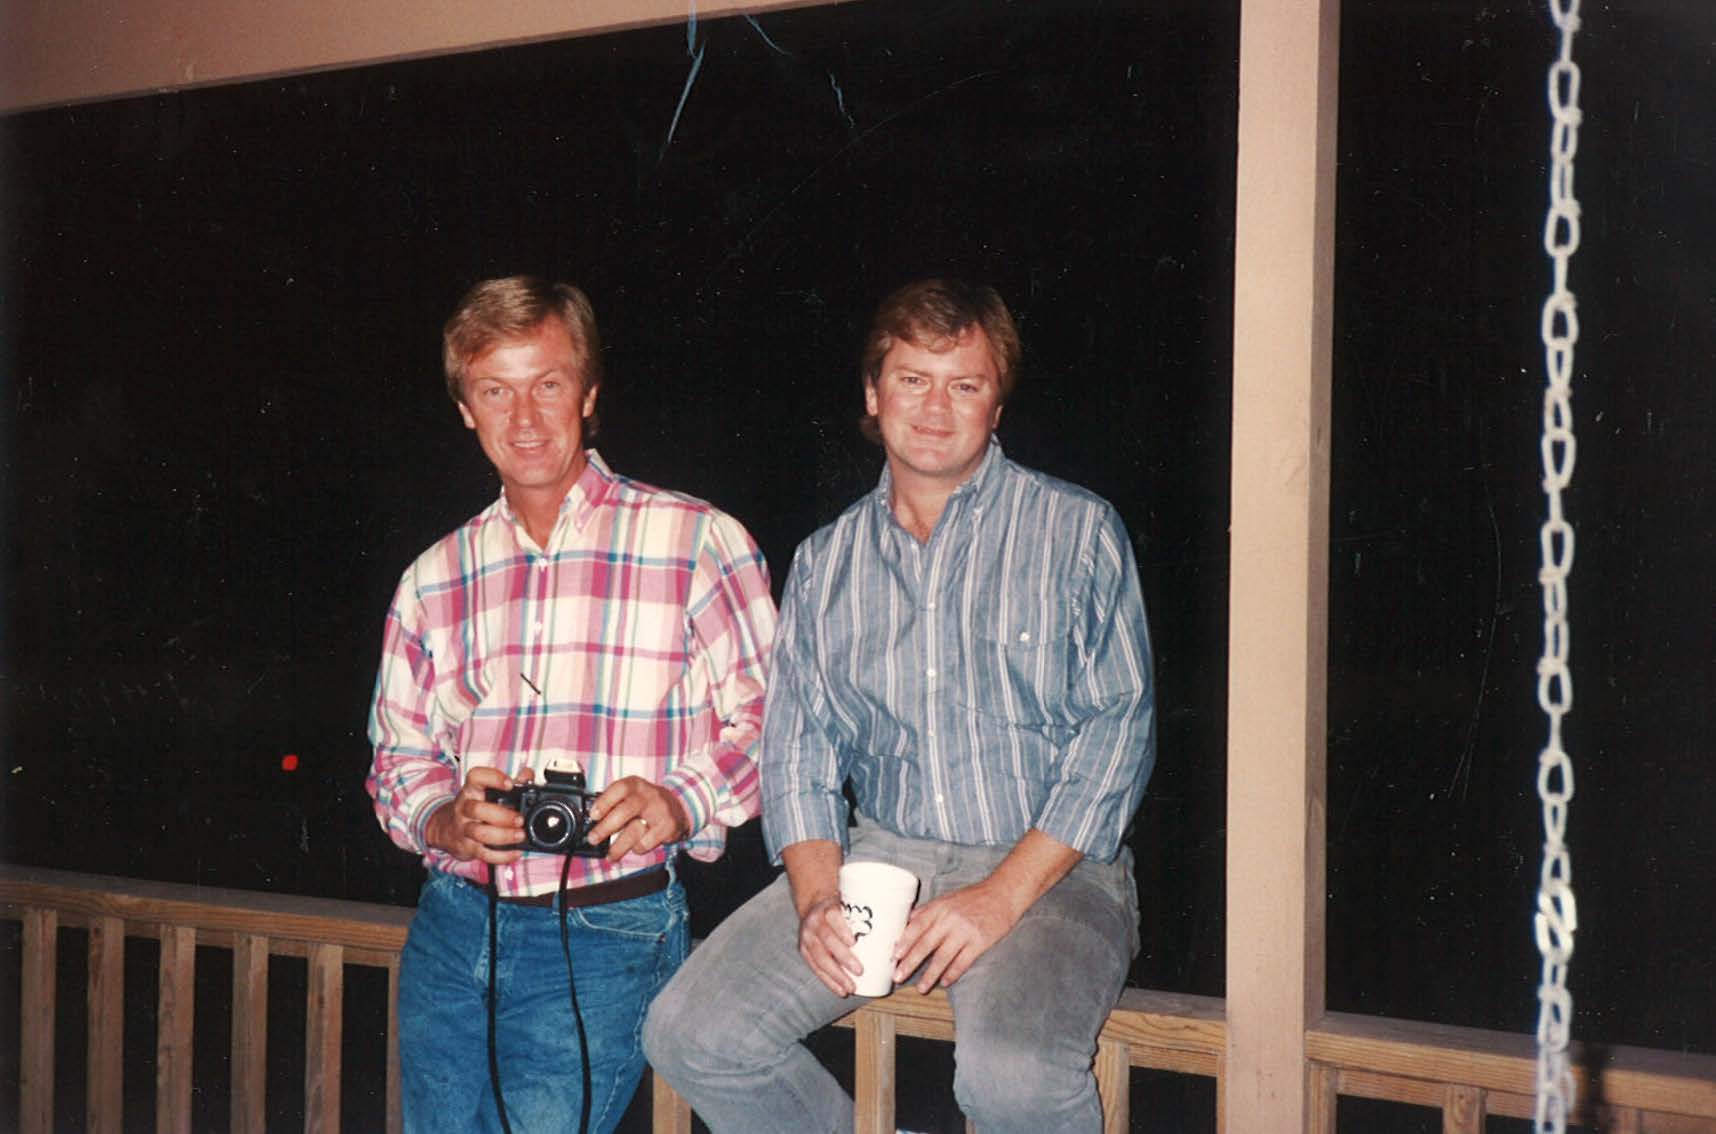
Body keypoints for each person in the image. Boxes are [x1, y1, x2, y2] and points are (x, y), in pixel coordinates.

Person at [645, 278, 1155, 1133]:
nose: (935, 408)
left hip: (1056, 872)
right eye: (913, 379)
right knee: (692, 1033)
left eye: (965, 384)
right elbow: (798, 752)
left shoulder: (1077, 531)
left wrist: (996, 898)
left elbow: (1118, 734)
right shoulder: (826, 561)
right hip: (880, 859)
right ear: (874, 394)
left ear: (997, 405)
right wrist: (817, 899)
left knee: (1013, 1079)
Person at [367, 276, 775, 1134]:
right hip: (451, 931)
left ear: (588, 395)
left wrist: (680, 800)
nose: (524, 417)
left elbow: (780, 726)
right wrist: (443, 818)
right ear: (465, 410)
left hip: (607, 929)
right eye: (495, 391)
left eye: (547, 383)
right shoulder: (433, 578)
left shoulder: (700, 541)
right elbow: (399, 755)